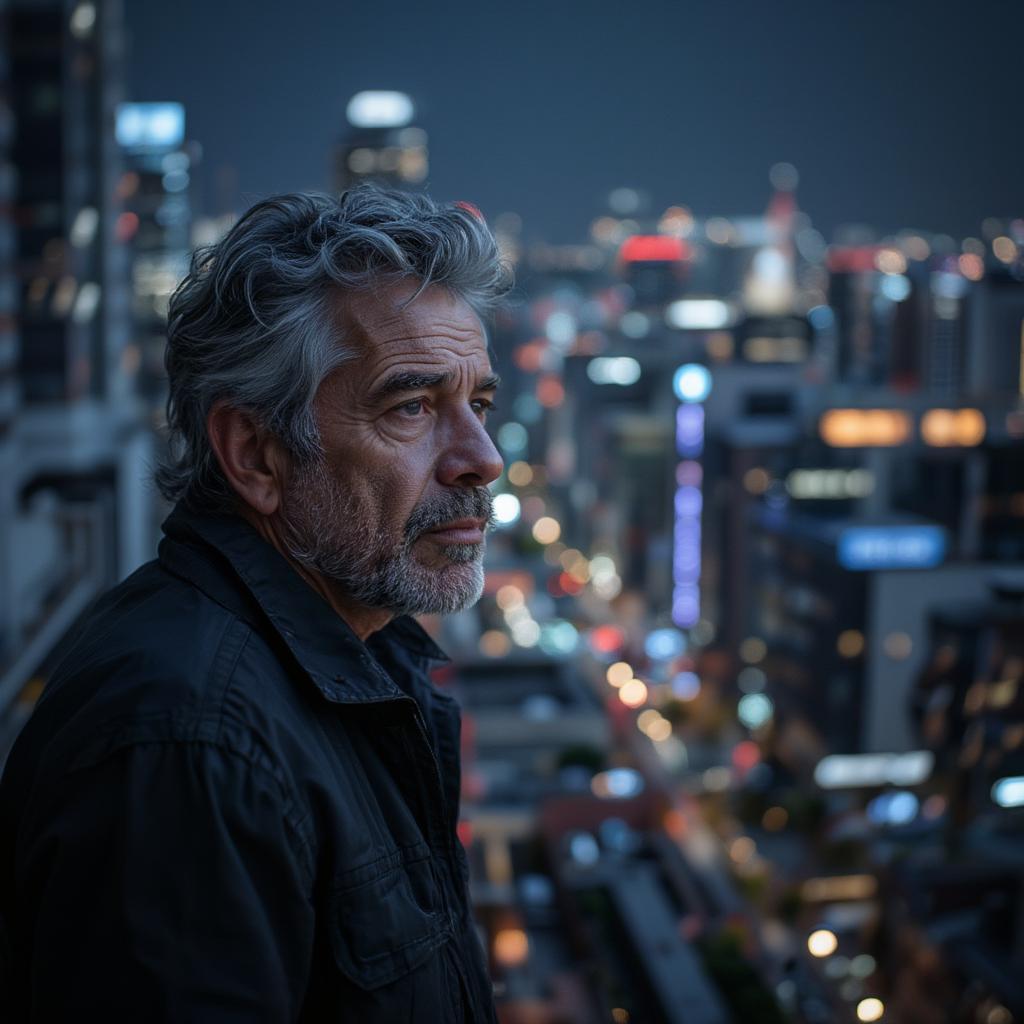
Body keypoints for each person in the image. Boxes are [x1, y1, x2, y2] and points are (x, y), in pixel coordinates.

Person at [0, 185, 512, 1022]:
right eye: (412, 407)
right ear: (255, 455)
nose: (481, 458)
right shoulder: (190, 744)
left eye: (480, 404)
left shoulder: (353, 657)